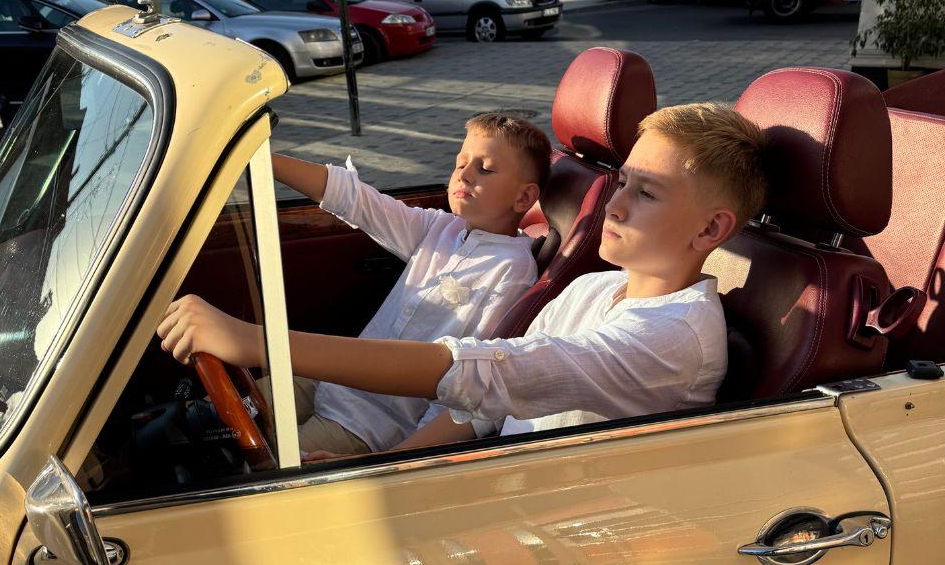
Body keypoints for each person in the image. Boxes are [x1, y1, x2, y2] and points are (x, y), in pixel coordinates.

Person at [158, 103, 769, 458]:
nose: (615, 204)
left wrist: (260, 341)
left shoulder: (674, 340)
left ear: (710, 228)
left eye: (647, 193)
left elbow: (496, 374)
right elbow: (482, 410)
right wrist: (395, 464)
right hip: (488, 468)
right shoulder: (592, 289)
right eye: (622, 183)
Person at [241, 113, 548, 456]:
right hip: (333, 381)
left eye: (485, 169)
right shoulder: (439, 228)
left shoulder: (511, 270)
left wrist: (394, 458)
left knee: (257, 463)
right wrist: (259, 158)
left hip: (367, 425)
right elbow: (358, 201)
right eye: (460, 163)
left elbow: (469, 380)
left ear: (523, 199)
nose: (464, 174)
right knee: (224, 412)